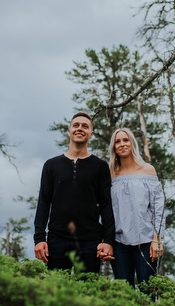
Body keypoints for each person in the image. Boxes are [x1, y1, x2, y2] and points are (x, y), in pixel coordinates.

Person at [34, 112, 115, 273]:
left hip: (90, 242)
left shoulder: (100, 167)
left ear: (91, 134)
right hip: (57, 241)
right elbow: (43, 202)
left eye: (85, 126)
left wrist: (108, 241)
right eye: (76, 125)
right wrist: (39, 239)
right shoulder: (51, 165)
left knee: (87, 294)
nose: (80, 128)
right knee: (55, 293)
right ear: (69, 131)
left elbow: (106, 205)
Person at [108, 127, 165, 294]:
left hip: (146, 241)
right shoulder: (110, 174)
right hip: (119, 243)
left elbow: (158, 208)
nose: (122, 144)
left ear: (132, 143)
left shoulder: (148, 170)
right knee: (124, 295)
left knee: (148, 293)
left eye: (125, 140)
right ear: (113, 147)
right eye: (117, 141)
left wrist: (157, 239)